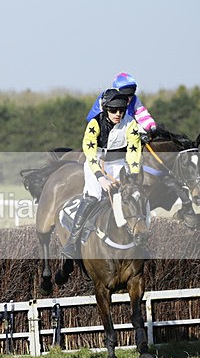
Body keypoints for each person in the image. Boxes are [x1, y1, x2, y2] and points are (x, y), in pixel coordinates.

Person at [61, 89, 142, 259]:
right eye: (113, 110)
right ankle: (71, 242)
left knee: (132, 196)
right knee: (94, 196)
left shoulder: (131, 124)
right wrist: (101, 178)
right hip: (95, 163)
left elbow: (134, 152)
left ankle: (139, 238)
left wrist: (133, 176)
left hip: (119, 164)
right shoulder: (94, 124)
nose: (118, 114)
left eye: (121, 110)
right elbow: (90, 154)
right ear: (106, 109)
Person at [85, 72, 156, 138]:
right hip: (101, 129)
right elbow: (105, 119)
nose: (129, 98)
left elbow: (141, 114)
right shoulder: (106, 97)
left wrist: (151, 126)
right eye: (125, 95)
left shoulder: (135, 99)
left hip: (124, 127)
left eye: (131, 95)